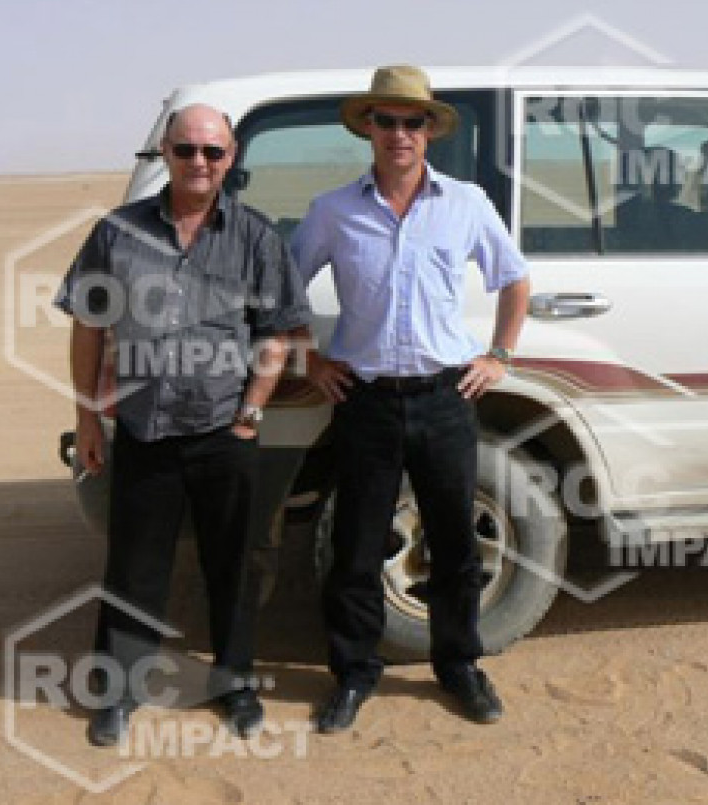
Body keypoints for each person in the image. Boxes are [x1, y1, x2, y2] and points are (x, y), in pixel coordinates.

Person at [54, 103, 310, 746]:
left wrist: (251, 413)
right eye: (187, 150)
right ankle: (117, 693)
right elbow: (89, 326)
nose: (200, 162)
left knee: (235, 564)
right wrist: (87, 416)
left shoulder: (256, 237)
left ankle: (236, 684)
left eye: (214, 152)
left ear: (231, 160)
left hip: (225, 432)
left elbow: (276, 335)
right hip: (143, 430)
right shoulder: (117, 233)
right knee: (134, 567)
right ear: (165, 154)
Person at [290, 65, 531, 733]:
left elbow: (515, 280)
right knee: (357, 545)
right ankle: (354, 672)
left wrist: (498, 354)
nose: (400, 132)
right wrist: (310, 358)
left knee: (454, 542)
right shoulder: (332, 211)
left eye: (413, 121)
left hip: (445, 395)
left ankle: (459, 665)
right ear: (367, 127)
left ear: (430, 131)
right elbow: (279, 291)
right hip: (366, 402)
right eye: (387, 120)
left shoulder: (467, 203)